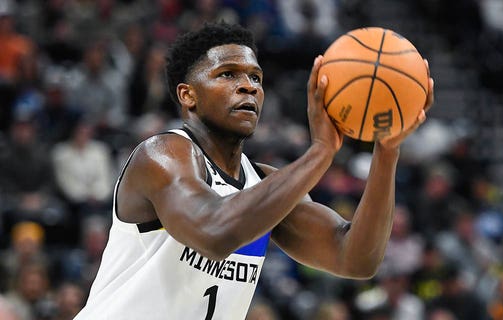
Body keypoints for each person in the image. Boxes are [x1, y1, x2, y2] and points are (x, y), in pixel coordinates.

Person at [74, 21, 434, 319]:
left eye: (256, 78)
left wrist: (386, 151)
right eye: (228, 74)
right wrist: (322, 151)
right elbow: (214, 232)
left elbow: (355, 258)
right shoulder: (162, 154)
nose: (248, 85)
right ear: (188, 95)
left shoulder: (264, 184)